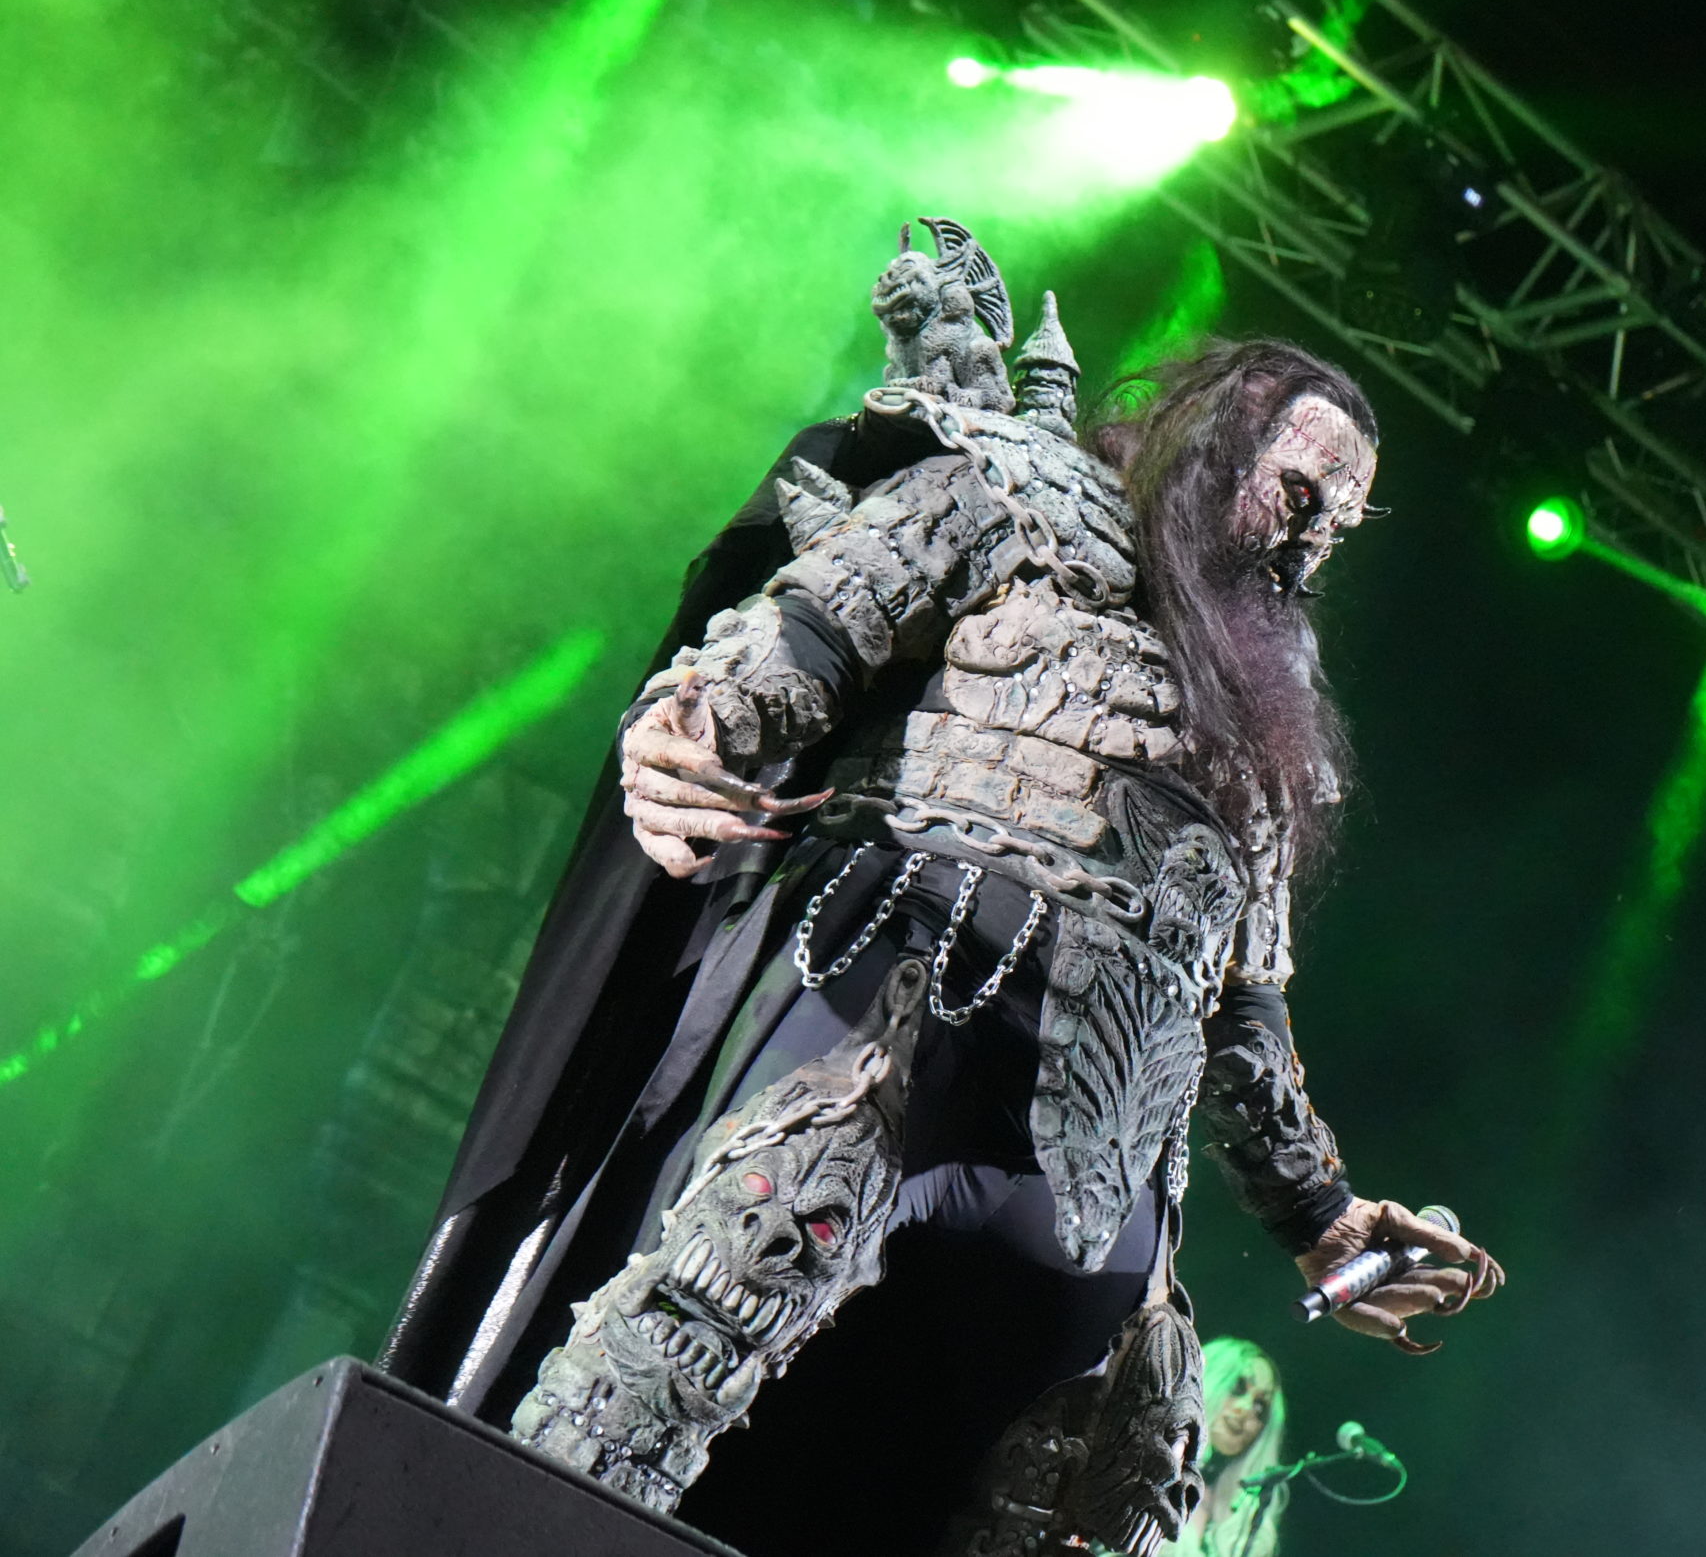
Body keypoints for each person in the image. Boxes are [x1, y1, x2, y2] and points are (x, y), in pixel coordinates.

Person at [376, 218, 1502, 1556]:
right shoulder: (1016, 496)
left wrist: (1321, 1217)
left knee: (1106, 1485)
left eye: (1340, 521)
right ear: (1216, 443)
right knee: (651, 1394)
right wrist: (686, 730)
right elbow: (790, 648)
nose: (1311, 538)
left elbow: (1243, 1004)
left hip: (1102, 1196)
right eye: (1299, 490)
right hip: (883, 1056)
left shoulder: (1272, 726)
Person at [1168, 1338, 1290, 1557]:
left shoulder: (1238, 1517)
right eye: (1238, 1388)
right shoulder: (1145, 1466)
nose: (1245, 1409)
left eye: (1260, 1406)